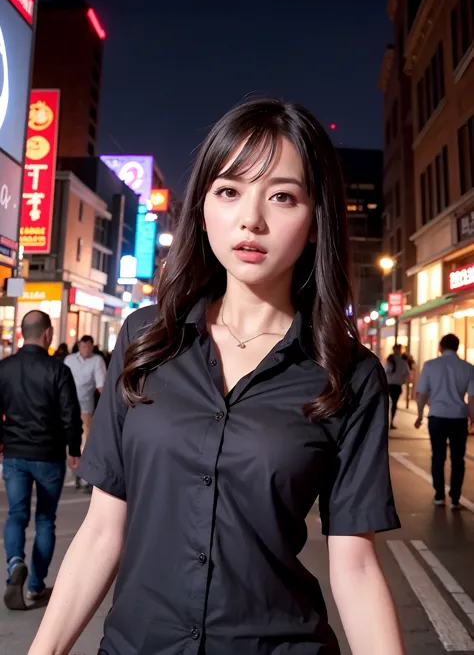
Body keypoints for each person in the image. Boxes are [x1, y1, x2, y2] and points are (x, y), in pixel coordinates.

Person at [29, 99, 404, 655]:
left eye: (282, 195)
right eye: (229, 191)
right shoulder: (146, 339)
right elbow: (104, 530)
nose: (251, 219)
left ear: (316, 216)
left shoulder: (347, 375)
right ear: (203, 205)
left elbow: (355, 563)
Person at [0, 310, 82, 610]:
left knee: (16, 515)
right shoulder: (58, 370)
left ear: (22, 333)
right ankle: (35, 586)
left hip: (14, 453)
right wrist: (75, 448)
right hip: (48, 455)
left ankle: (14, 564)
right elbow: (70, 413)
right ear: (47, 333)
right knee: (45, 519)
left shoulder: (4, 368)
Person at [415, 333, 474, 510]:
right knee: (458, 459)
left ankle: (439, 495)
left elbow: (422, 394)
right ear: (457, 347)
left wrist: (419, 415)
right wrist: (473, 419)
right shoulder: (468, 368)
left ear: (440, 346)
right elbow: (472, 398)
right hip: (459, 418)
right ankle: (455, 498)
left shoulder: (430, 366)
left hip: (437, 417)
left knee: (438, 457)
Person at [64, 335, 106, 491]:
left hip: (85, 407)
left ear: (92, 347)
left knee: (85, 440)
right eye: (83, 347)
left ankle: (83, 474)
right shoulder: (69, 360)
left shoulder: (97, 361)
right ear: (79, 345)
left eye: (88, 347)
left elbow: (101, 386)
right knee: (67, 438)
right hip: (66, 405)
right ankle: (71, 470)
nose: (85, 350)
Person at [384, 344, 410, 429]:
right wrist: (403, 380)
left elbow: (385, 371)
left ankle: (386, 422)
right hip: (396, 385)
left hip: (388, 384)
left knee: (387, 404)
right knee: (394, 404)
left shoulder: (389, 360)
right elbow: (407, 374)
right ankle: (391, 422)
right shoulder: (403, 362)